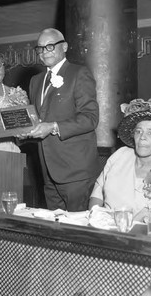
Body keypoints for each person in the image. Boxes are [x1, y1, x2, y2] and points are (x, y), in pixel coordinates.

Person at [25, 28, 101, 211]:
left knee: (77, 228)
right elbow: (36, 119)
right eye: (40, 48)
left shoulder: (79, 73)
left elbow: (90, 118)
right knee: (55, 228)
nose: (44, 52)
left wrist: (53, 127)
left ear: (64, 47)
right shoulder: (36, 80)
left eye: (50, 46)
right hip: (47, 170)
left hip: (76, 171)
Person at [89, 96, 151, 225]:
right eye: (138, 131)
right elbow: (98, 191)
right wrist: (95, 219)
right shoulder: (120, 155)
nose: (142, 137)